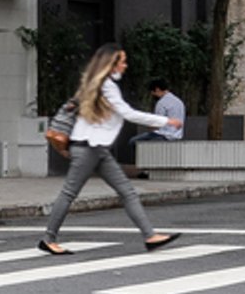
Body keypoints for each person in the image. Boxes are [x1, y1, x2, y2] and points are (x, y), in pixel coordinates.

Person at [39, 44, 179, 255]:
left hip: (97, 149)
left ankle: (150, 236)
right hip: (87, 148)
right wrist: (166, 121)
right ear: (111, 65)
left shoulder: (95, 85)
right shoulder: (106, 86)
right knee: (69, 193)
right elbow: (128, 113)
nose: (125, 65)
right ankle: (49, 239)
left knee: (127, 191)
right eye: (122, 61)